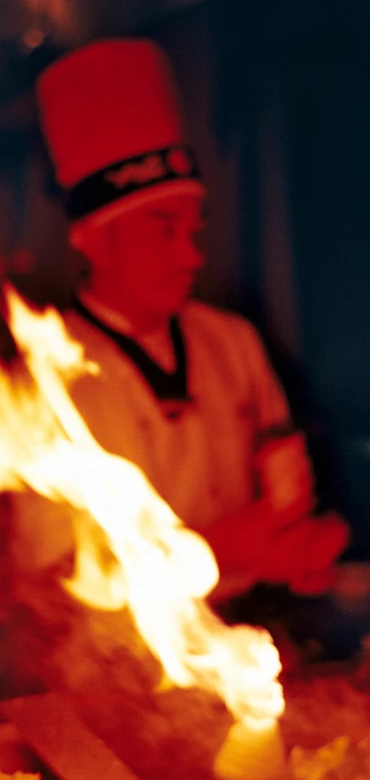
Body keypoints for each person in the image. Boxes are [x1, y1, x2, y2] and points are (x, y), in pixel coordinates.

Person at [21, 37, 348, 603]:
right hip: (126, 667)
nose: (192, 255)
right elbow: (63, 586)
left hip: (255, 637)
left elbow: (287, 489)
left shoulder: (231, 341)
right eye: (162, 229)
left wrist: (307, 540)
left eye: (194, 229)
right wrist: (219, 553)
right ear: (94, 240)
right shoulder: (46, 382)